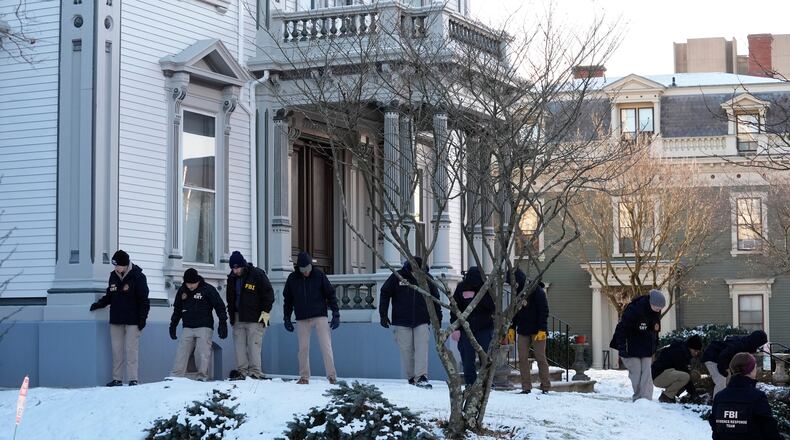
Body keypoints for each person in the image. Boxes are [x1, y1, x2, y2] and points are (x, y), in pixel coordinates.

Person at [89, 250, 150, 387]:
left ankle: (133, 379)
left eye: (118, 265)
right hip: (116, 319)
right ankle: (117, 379)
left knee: (131, 349)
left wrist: (142, 319)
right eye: (114, 265)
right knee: (116, 350)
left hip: (133, 320)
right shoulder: (113, 276)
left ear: (125, 264)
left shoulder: (138, 277)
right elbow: (110, 295)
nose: (116, 268)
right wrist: (99, 304)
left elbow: (144, 300)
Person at [379, 257, 442, 389]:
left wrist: (438, 319)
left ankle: (421, 376)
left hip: (422, 319)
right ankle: (412, 377)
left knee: (421, 349)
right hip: (401, 320)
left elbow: (435, 298)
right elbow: (385, 292)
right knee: (406, 350)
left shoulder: (427, 278)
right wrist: (383, 314)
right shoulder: (398, 276)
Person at [283, 251, 340, 385]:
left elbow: (330, 294)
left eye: (308, 269)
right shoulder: (292, 279)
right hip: (302, 317)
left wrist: (336, 313)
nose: (306, 272)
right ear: (299, 268)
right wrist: (286, 318)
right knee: (303, 348)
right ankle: (304, 376)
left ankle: (332, 376)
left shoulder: (319, 275)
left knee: (326, 346)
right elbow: (288, 300)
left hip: (320, 315)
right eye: (303, 270)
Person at [169, 268, 229, 381]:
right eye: (188, 283)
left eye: (192, 283)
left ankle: (202, 377)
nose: (190, 286)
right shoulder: (182, 291)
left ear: (197, 281)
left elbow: (220, 307)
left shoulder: (208, 289)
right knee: (181, 352)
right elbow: (177, 309)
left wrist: (223, 323)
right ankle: (175, 377)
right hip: (188, 326)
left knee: (201, 353)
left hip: (204, 326)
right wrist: (173, 325)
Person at [226, 251, 274, 380]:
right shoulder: (231, 278)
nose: (235, 271)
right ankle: (242, 371)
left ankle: (255, 372)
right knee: (239, 346)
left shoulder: (257, 274)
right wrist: (231, 317)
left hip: (256, 317)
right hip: (237, 317)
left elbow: (269, 295)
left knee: (254, 345)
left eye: (237, 268)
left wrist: (265, 315)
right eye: (233, 268)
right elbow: (230, 298)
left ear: (243, 265)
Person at [709, 352, 781, 440]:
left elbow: (715, 430)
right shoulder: (757, 397)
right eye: (755, 367)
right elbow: (770, 431)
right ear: (751, 370)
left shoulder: (719, 397)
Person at [609, 289, 665, 401]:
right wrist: (622, 347)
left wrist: (655, 343)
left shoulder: (655, 312)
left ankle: (646, 399)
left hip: (646, 346)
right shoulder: (634, 309)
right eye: (657, 307)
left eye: (660, 308)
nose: (659, 310)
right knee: (636, 371)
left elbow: (655, 329)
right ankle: (638, 397)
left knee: (647, 372)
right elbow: (622, 328)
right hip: (630, 345)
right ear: (650, 302)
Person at [450, 266, 496, 386]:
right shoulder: (461, 288)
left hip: (484, 328)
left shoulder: (487, 288)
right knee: (467, 359)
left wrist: (478, 296)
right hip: (465, 329)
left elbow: (492, 307)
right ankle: (470, 383)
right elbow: (454, 309)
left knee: (486, 358)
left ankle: (486, 382)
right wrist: (455, 328)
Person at [510, 268, 551, 394]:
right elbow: (514, 312)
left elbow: (544, 311)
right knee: (522, 358)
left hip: (538, 331)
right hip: (523, 330)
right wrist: (511, 328)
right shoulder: (517, 293)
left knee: (540, 358)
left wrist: (542, 329)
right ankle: (526, 387)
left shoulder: (537, 291)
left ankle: (545, 386)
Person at [702, 330, 768, 398]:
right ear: (756, 342)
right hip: (712, 356)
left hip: (723, 360)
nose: (760, 347)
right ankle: (718, 404)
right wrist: (723, 371)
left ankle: (729, 400)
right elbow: (723, 356)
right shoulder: (739, 345)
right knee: (721, 380)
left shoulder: (747, 344)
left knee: (729, 381)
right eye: (760, 344)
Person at [651, 335, 703, 403]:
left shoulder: (684, 351)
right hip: (658, 376)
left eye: (698, 352)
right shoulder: (679, 352)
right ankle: (666, 396)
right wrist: (694, 394)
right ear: (690, 347)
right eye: (695, 350)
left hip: (667, 374)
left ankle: (672, 394)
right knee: (686, 376)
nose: (696, 353)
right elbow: (685, 374)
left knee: (694, 375)